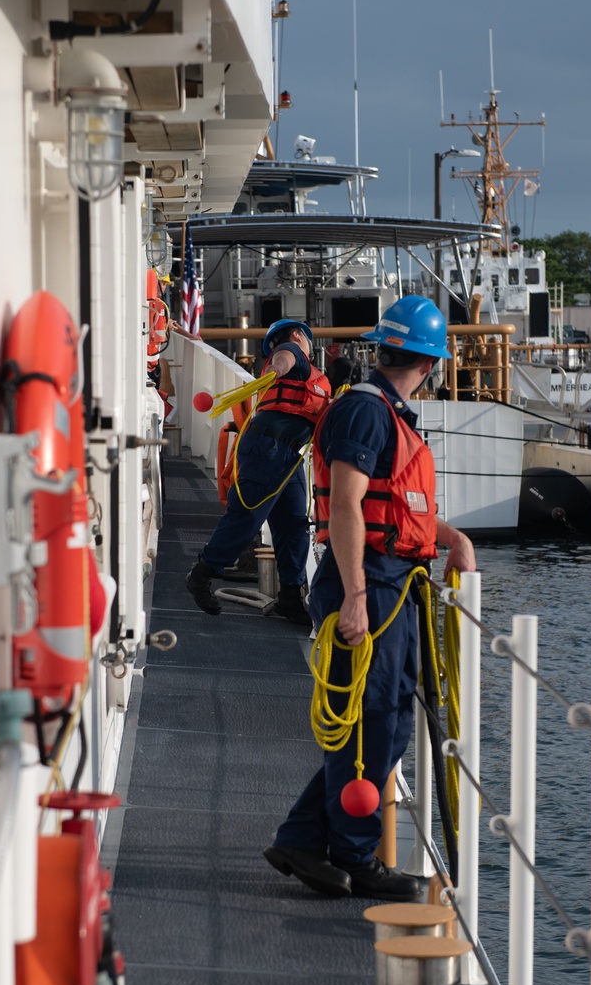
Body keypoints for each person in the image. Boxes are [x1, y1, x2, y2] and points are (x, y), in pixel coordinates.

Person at [263, 296, 476, 901]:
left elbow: (397, 509)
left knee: (382, 724)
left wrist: (451, 537)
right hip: (369, 584)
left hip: (391, 581)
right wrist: (356, 595)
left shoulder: (383, 411)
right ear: (431, 364)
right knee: (373, 723)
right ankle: (356, 858)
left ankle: (304, 837)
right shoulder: (367, 413)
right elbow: (352, 506)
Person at [185, 319, 331, 625]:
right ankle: (202, 574)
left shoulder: (311, 374)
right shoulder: (291, 352)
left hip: (288, 457)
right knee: (247, 516)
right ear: (296, 335)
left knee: (293, 525)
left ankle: (290, 597)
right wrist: (278, 368)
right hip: (269, 450)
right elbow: (283, 358)